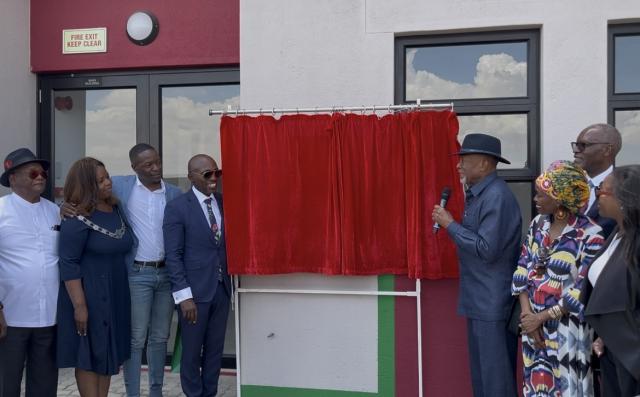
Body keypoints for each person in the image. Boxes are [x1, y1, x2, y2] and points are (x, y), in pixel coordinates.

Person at [63, 144, 182, 396]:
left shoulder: (170, 194)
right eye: (148, 164)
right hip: (131, 276)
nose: (155, 168)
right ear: (134, 168)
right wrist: (65, 206)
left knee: (157, 338)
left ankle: (156, 391)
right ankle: (133, 393)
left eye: (158, 162)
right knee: (133, 340)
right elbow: (70, 255)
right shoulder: (122, 187)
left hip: (151, 278)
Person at [432, 133, 522, 397]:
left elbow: (487, 249)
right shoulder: (479, 194)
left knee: (495, 379)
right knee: (483, 376)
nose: (458, 165)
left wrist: (450, 224)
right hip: (479, 298)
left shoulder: (497, 196)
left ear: (483, 164)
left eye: (464, 159)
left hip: (491, 302)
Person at [512, 160, 604, 397]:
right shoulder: (537, 225)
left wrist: (540, 318)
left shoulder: (590, 235)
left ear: (560, 198)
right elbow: (522, 269)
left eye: (541, 195)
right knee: (536, 388)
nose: (535, 199)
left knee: (569, 388)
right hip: (532, 327)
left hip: (567, 331)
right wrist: (528, 318)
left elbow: (582, 290)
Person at [56, 157, 134, 397]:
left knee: (108, 353)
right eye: (100, 181)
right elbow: (68, 263)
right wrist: (80, 306)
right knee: (90, 354)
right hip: (89, 295)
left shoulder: (116, 209)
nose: (108, 183)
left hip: (116, 291)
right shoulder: (75, 218)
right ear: (87, 185)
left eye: (107, 176)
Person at [163, 154, 231, 397]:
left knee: (214, 352)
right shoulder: (177, 207)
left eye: (216, 173)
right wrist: (184, 297)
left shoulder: (224, 203)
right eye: (207, 174)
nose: (214, 178)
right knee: (191, 354)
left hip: (222, 290)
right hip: (194, 295)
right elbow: (173, 255)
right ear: (191, 176)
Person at [0, 148, 60, 397]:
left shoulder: (56, 211)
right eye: (33, 172)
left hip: (49, 317)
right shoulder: (1, 211)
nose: (40, 177)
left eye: (42, 172)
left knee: (45, 386)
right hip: (10, 318)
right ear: (12, 178)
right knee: (6, 384)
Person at [583, 165, 640, 396]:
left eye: (601, 192)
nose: (596, 198)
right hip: (613, 348)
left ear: (623, 199)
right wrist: (606, 336)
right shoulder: (618, 234)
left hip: (633, 353)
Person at [572, 123, 622, 239]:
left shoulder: (623, 190)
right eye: (576, 145)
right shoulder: (569, 185)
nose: (576, 151)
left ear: (607, 150)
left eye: (583, 145)